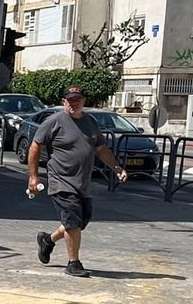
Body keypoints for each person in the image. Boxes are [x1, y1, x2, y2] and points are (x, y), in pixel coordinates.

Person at [27, 86, 127, 277]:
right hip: (60, 180)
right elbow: (35, 146)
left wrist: (117, 168)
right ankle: (74, 263)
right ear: (64, 102)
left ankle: (48, 240)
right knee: (72, 221)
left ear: (84, 100)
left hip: (83, 183)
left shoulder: (90, 122)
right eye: (70, 100)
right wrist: (33, 176)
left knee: (78, 221)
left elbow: (101, 149)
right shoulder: (54, 121)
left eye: (77, 99)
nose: (74, 103)